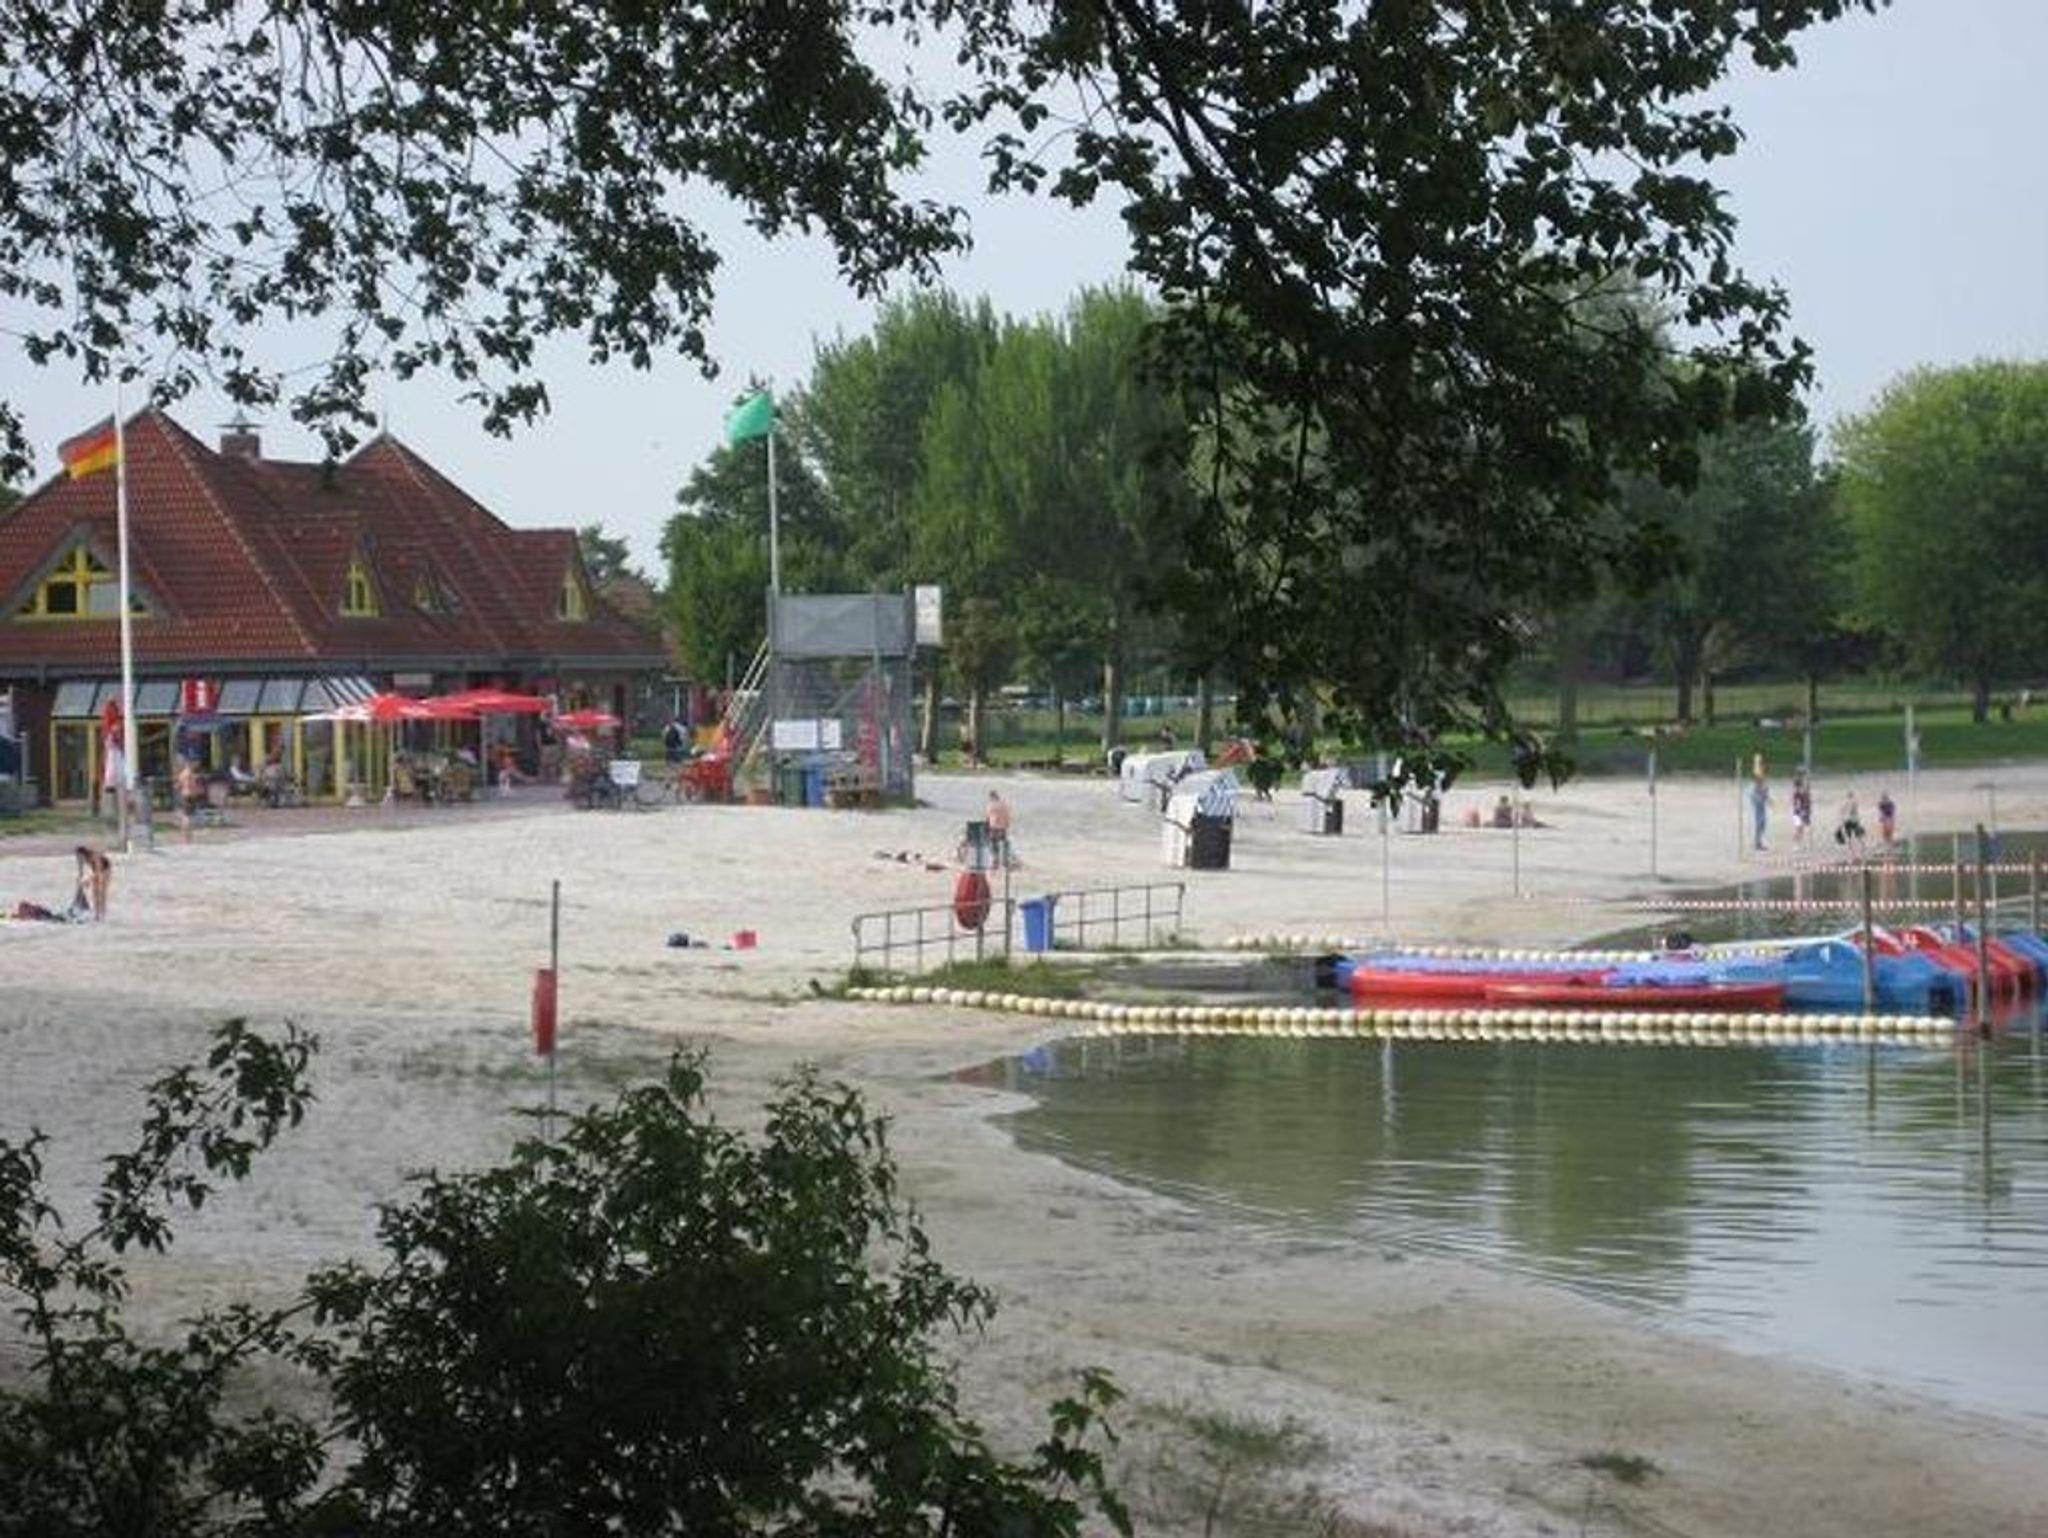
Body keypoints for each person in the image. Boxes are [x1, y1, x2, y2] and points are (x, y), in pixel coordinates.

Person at [72, 845, 111, 921]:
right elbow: (82, 872)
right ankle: (97, 914)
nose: (78, 858)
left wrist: (88, 880)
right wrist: (81, 881)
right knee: (94, 893)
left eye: (78, 856)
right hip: (95, 869)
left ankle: (103, 913)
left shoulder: (93, 856)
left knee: (101, 891)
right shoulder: (82, 859)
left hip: (105, 869)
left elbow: (98, 871)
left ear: (82, 854)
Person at [174, 755, 202, 842]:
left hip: (185, 795)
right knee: (187, 816)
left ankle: (186, 837)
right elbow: (192, 785)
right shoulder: (189, 774)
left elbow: (177, 785)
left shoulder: (183, 774)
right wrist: (196, 791)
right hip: (189, 795)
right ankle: (187, 837)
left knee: (186, 816)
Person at [985, 789, 1014, 868]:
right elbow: (1008, 816)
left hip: (994, 827)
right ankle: (1005, 860)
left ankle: (996, 861)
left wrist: (987, 827)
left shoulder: (991, 805)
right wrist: (1007, 824)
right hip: (1002, 827)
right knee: (1004, 842)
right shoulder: (1004, 804)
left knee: (994, 844)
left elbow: (988, 817)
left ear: (991, 797)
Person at [1748, 770, 1770, 852]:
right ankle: (1757, 843)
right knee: (1759, 824)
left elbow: (1765, 796)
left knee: (1763, 824)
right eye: (1761, 779)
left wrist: (1768, 798)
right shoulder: (1754, 787)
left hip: (1761, 808)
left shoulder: (1762, 786)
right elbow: (1755, 798)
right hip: (1758, 808)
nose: (1763, 780)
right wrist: (1763, 795)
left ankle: (1759, 842)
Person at [1790, 774, 1813, 848]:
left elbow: (1806, 802)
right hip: (1799, 813)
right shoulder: (1798, 794)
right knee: (1799, 829)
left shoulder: (1802, 792)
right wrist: (1802, 811)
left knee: (1803, 828)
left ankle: (1801, 844)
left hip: (1802, 812)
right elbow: (1797, 805)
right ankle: (1797, 844)